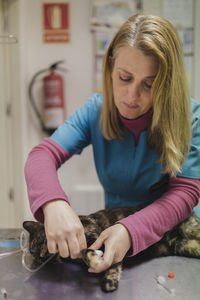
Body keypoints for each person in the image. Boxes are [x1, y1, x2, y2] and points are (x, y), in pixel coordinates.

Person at [25, 14, 200, 274]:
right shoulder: (94, 111)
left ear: (167, 85)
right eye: (124, 77)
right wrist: (53, 204)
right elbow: (42, 155)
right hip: (118, 243)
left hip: (175, 241)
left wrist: (131, 230)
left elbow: (185, 192)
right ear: (110, 68)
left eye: (149, 85)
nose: (132, 96)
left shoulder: (191, 118)